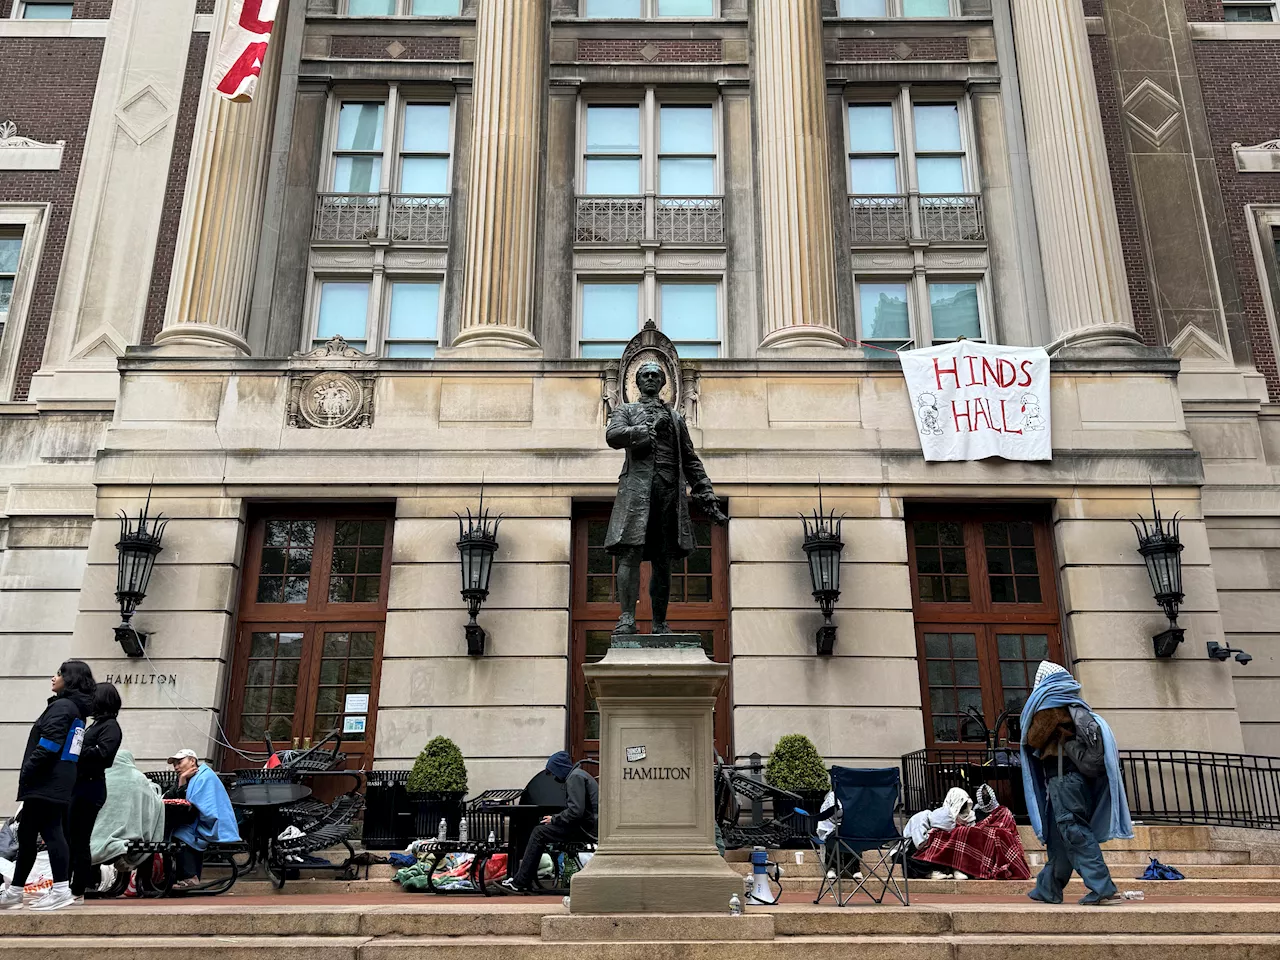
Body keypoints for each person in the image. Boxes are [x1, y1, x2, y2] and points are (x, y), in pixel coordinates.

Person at [604, 359, 727, 635]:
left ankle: (659, 622)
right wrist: (647, 431)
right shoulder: (627, 410)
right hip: (637, 492)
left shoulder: (676, 418)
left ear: (662, 382)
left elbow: (691, 460)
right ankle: (626, 618)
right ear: (637, 382)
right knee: (631, 552)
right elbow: (613, 435)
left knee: (663, 559)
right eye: (645, 375)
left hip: (669, 492)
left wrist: (705, 492)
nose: (649, 378)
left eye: (655, 375)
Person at [1020, 660, 1133, 906]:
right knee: (1058, 836)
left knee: (1073, 831)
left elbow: (1034, 738)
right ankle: (1048, 887)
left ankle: (1103, 888)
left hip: (1064, 781)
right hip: (1073, 780)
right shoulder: (1073, 705)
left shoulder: (1051, 707)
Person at [1, 660, 96, 911]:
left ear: (71, 679)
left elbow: (49, 745)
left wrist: (29, 771)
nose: (54, 678)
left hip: (46, 780)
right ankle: (15, 891)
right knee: (27, 833)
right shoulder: (74, 709)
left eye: (60, 674)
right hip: (55, 779)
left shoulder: (63, 706)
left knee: (52, 832)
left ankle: (61, 889)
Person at [501, 752, 598, 893]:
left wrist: (554, 819)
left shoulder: (575, 778)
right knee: (542, 831)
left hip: (585, 830)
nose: (553, 777)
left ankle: (519, 882)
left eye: (553, 773)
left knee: (539, 832)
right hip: (589, 826)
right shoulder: (579, 775)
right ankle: (522, 879)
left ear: (559, 768)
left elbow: (575, 812)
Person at [67, 682, 122, 901]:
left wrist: (76, 749)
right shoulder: (96, 724)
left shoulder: (109, 726)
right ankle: (74, 884)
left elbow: (104, 754)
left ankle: (79, 886)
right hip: (81, 786)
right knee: (72, 837)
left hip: (90, 787)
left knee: (79, 839)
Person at [911, 784, 1032, 881]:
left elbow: (1005, 829)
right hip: (957, 844)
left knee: (994, 834)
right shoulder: (934, 815)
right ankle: (957, 868)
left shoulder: (1003, 812)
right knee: (959, 834)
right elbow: (924, 838)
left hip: (989, 844)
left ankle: (972, 868)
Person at [165, 749, 240, 890]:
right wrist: (182, 781)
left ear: (192, 761)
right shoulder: (189, 777)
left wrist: (182, 781)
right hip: (197, 821)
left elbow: (197, 808)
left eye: (179, 762)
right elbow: (176, 799)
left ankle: (190, 877)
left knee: (181, 834)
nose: (176, 767)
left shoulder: (205, 777)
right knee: (174, 831)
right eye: (174, 764)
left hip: (212, 825)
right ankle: (177, 876)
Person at [89, 749, 165, 883]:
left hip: (95, 838)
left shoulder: (101, 776)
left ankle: (90, 882)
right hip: (133, 836)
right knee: (150, 844)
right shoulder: (138, 778)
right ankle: (145, 884)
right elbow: (153, 805)